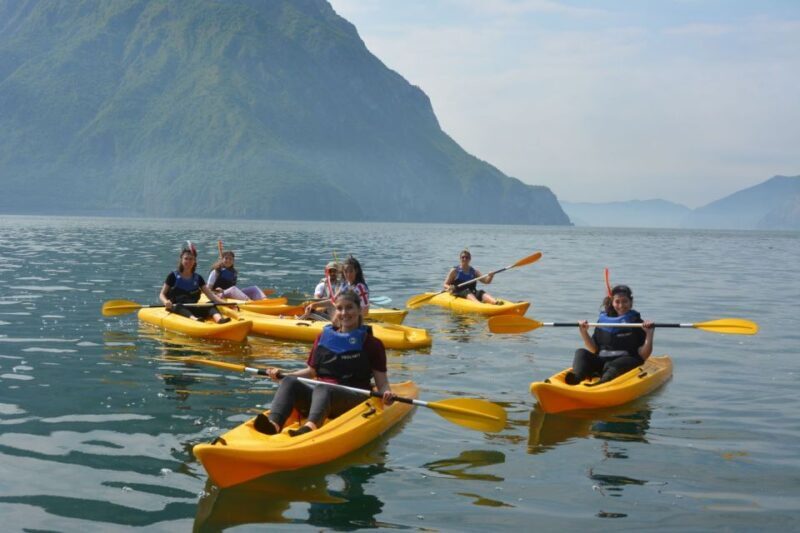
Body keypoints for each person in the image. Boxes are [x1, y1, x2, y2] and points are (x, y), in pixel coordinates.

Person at [254, 290, 395, 437]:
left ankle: (310, 428)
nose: (344, 312)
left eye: (349, 307)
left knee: (324, 388)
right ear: (335, 310)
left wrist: (387, 395)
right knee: (290, 381)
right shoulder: (323, 337)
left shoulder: (372, 344)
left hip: (353, 401)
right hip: (320, 397)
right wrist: (283, 376)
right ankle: (273, 425)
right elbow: (311, 372)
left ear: (359, 310)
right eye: (340, 308)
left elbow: (382, 383)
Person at [566, 284, 655, 385]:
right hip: (603, 363)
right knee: (580, 352)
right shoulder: (604, 321)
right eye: (617, 302)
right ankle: (577, 377)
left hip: (625, 363)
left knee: (617, 364)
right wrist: (583, 331)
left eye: (625, 301)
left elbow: (643, 355)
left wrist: (649, 333)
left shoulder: (637, 323)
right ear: (612, 302)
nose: (621, 305)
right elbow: (594, 349)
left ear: (631, 302)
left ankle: (603, 383)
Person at [159, 243, 233, 323]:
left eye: (191, 259)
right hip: (176, 308)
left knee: (210, 304)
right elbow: (162, 294)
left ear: (194, 261)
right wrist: (166, 302)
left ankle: (219, 319)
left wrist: (227, 304)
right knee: (178, 305)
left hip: (192, 307)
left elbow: (211, 296)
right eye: (186, 259)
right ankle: (195, 319)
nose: (188, 261)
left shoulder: (198, 278)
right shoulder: (173, 276)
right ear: (181, 260)